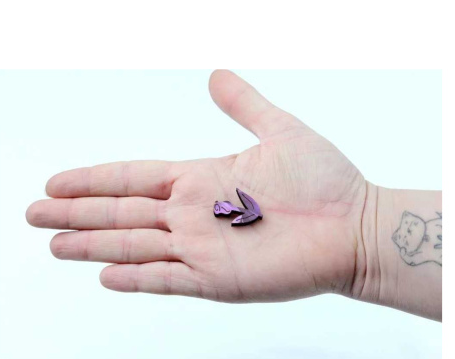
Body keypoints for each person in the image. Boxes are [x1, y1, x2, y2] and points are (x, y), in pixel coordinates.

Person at [26, 70, 442, 321]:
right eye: (228, 210)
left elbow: (247, 210)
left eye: (228, 209)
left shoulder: (249, 211)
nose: (228, 211)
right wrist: (363, 231)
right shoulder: (242, 211)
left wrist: (363, 229)